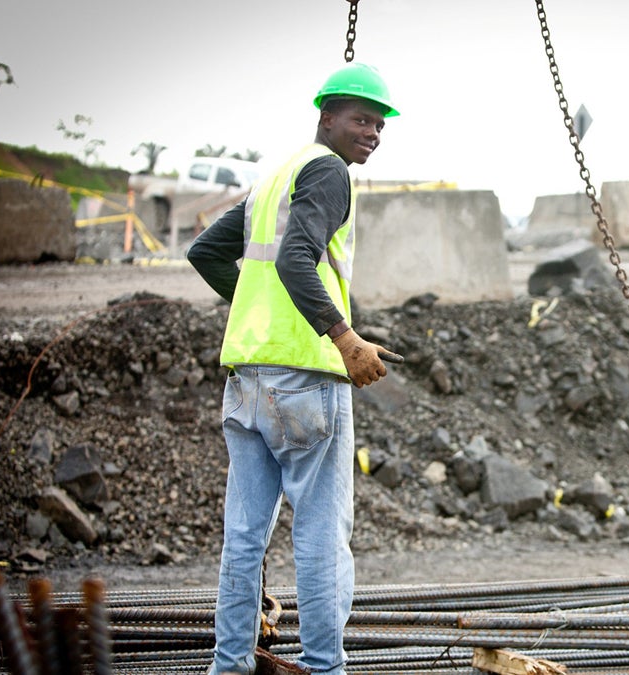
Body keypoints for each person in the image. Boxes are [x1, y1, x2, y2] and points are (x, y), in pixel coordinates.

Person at [187, 63, 404, 674]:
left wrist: (258, 310)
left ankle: (228, 666)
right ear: (326, 118)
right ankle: (325, 669)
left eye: (380, 123)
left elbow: (205, 252)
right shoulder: (328, 170)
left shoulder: (272, 178)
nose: (373, 133)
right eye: (361, 120)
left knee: (244, 539)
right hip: (306, 380)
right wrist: (344, 337)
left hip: (247, 377)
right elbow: (295, 260)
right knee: (319, 537)